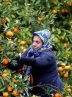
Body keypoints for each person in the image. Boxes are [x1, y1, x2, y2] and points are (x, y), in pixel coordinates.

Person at [6, 29, 64, 97]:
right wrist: (7, 63)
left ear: (44, 42)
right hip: (36, 89)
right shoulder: (30, 51)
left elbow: (37, 62)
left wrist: (19, 58)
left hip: (52, 90)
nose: (34, 44)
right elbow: (18, 65)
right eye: (33, 41)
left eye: (37, 42)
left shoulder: (48, 54)